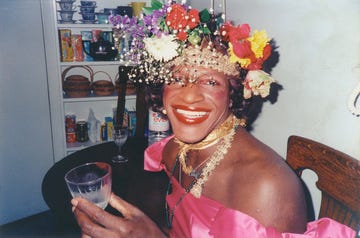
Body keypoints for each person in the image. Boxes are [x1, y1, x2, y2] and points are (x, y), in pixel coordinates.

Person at [71, 1, 356, 237]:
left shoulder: (266, 189)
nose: (189, 97)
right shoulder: (176, 150)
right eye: (177, 79)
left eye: (210, 82)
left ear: (234, 95)